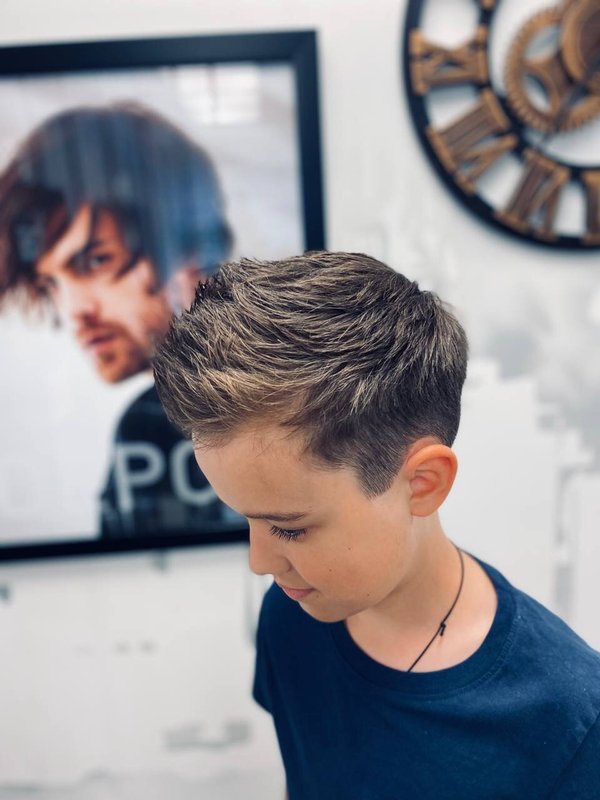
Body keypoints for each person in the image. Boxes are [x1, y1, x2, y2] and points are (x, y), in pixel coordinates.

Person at [153, 251, 600, 799]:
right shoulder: (291, 615)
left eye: (289, 529)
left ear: (423, 483)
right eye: (246, 519)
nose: (259, 562)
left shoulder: (571, 719)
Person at [0, 103, 241, 537]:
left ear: (192, 250)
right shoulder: (158, 417)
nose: (74, 311)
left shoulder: (159, 418)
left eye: (96, 261)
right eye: (51, 284)